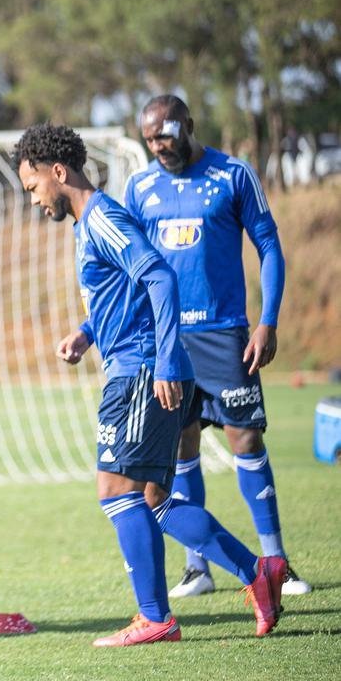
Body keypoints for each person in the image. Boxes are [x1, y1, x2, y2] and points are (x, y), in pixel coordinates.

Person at [12, 123, 286, 646]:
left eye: (32, 187)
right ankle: (259, 571)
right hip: (142, 362)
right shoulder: (89, 224)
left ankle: (154, 616)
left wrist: (162, 362)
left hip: (141, 371)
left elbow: (159, 275)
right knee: (157, 498)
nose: (34, 200)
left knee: (115, 489)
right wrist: (88, 333)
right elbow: (129, 289)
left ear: (58, 172)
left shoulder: (102, 217)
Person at [125, 95, 310, 598]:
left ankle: (277, 563)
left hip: (226, 334)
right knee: (180, 449)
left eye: (164, 134)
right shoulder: (140, 186)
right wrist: (90, 327)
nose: (157, 146)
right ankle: (196, 569)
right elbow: (130, 267)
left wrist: (267, 322)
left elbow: (269, 245)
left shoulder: (233, 174)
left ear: (187, 125)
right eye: (149, 139)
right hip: (168, 341)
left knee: (245, 441)